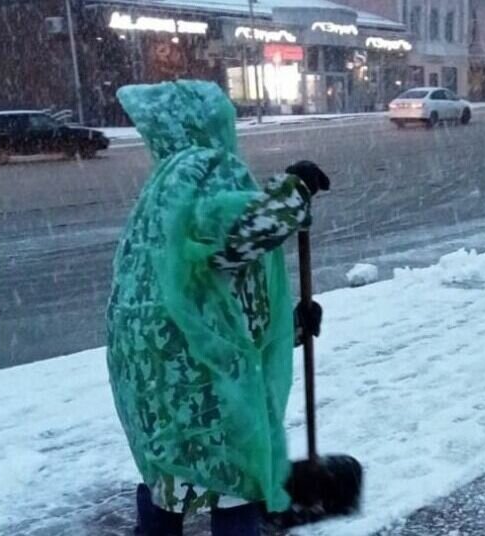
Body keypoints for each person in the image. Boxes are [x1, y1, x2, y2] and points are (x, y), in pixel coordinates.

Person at [105, 80, 330, 536]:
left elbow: (204, 295)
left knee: (169, 479)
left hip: (151, 380)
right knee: (233, 479)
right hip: (203, 383)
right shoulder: (203, 167)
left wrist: (290, 330)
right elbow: (233, 239)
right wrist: (295, 193)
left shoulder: (159, 192)